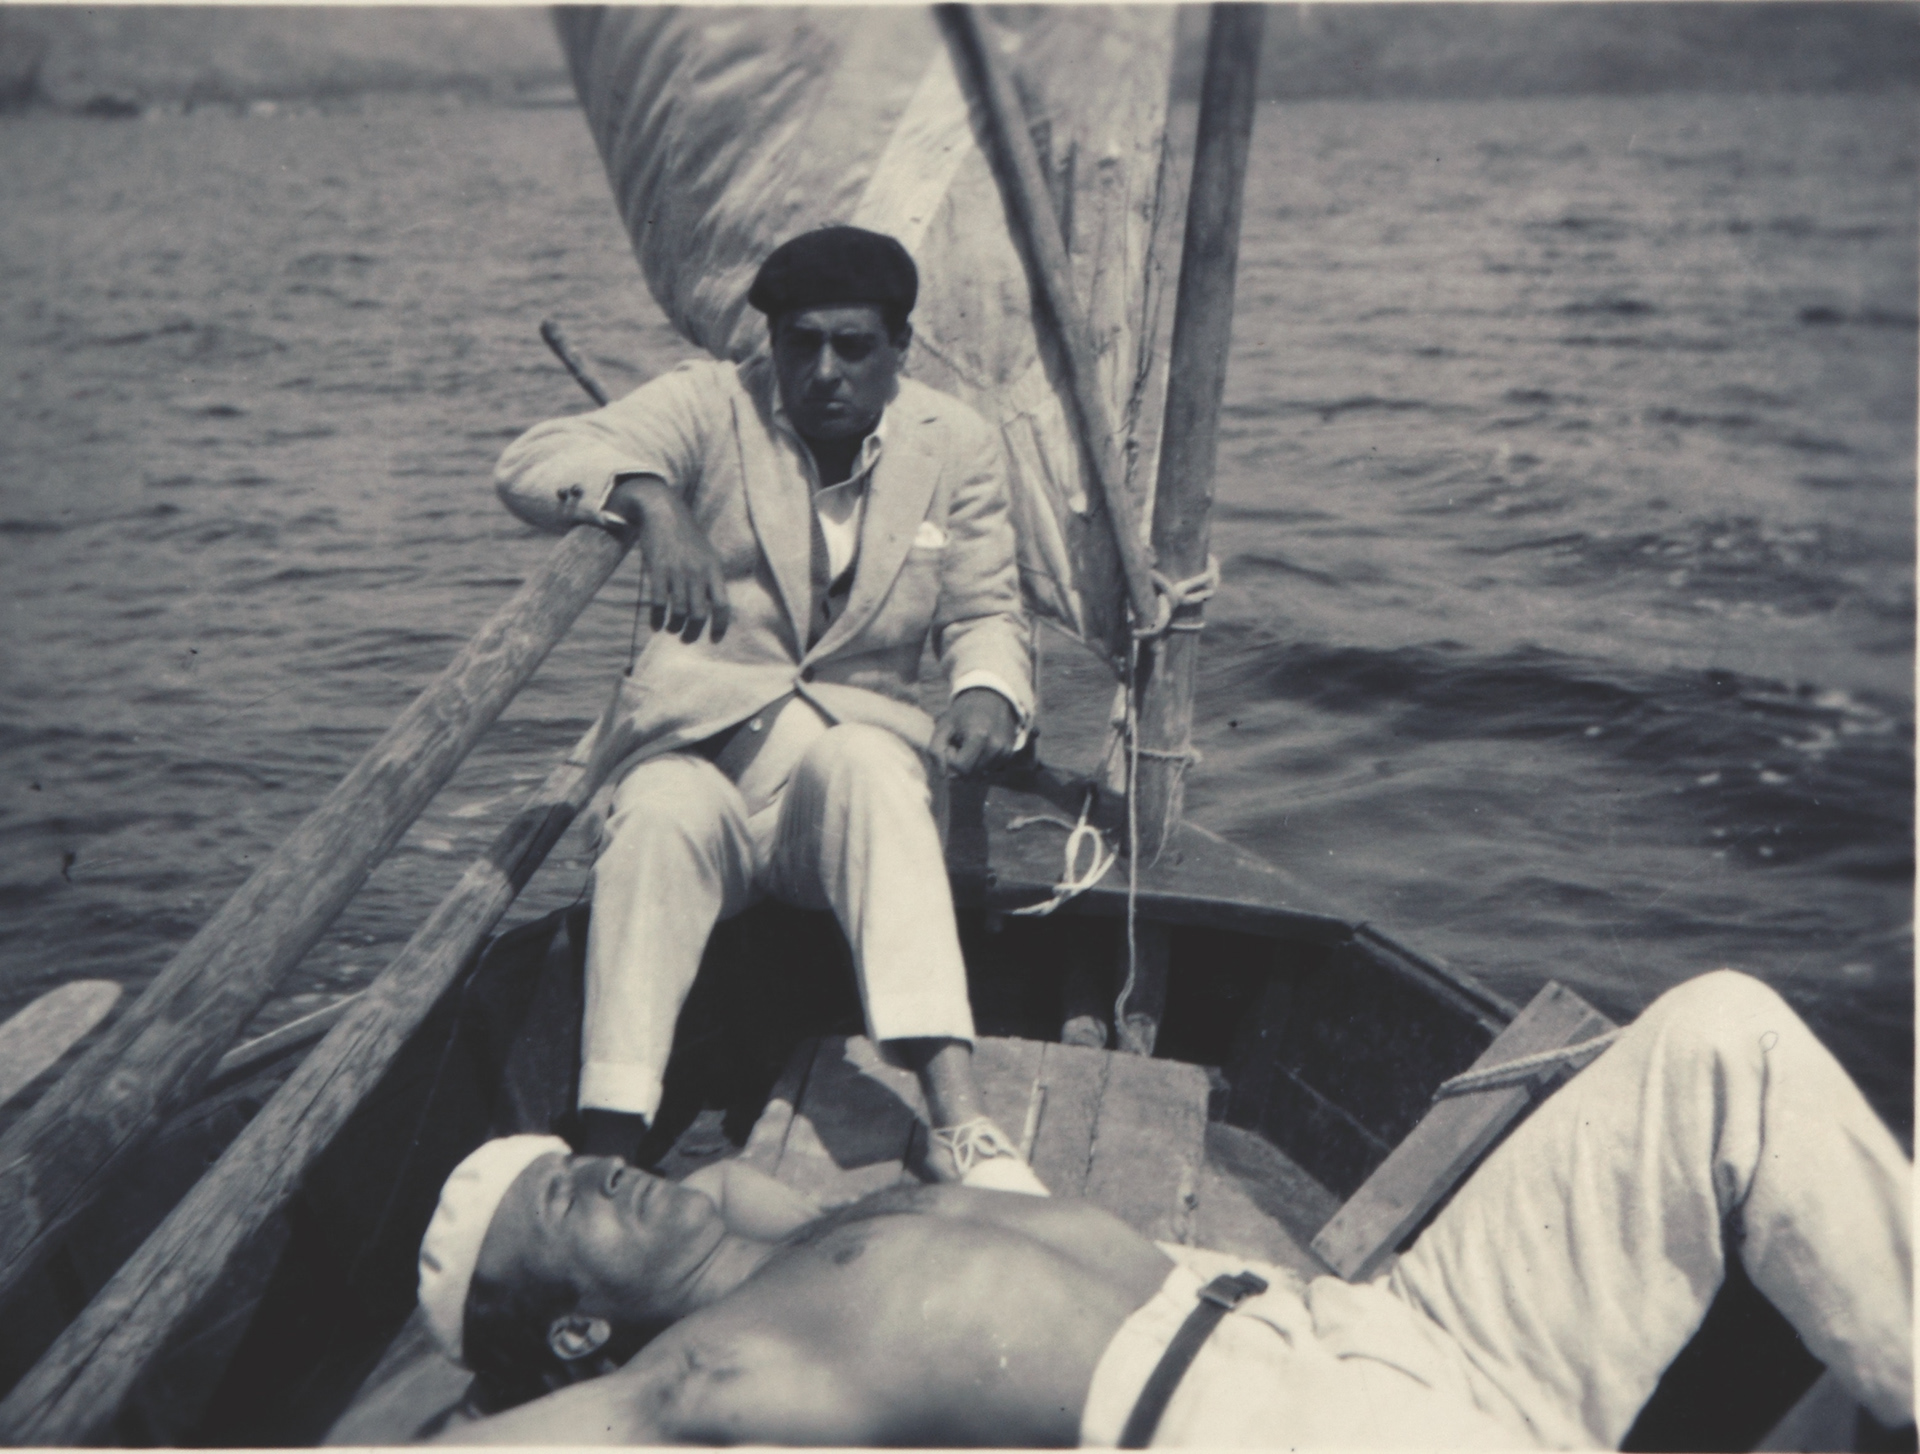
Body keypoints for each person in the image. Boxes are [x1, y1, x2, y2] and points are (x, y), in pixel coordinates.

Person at [416, 971, 1912, 1447]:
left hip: (1384, 1330)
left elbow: (728, 1183)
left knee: (1720, 1030)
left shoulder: (787, 1226)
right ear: (574, 1328)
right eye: (560, 1201)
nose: (600, 1165)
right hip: (1286, 1435)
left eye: (576, 1154)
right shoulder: (703, 1375)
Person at [494, 225, 1042, 1191]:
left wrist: (988, 690)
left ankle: (961, 1121)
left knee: (871, 764)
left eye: (853, 347)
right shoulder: (712, 403)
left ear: (900, 347)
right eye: (801, 344)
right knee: (655, 816)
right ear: (772, 343)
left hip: (835, 800)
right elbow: (534, 459)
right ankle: (609, 1151)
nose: (824, 371)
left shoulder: (954, 443)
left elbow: (986, 610)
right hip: (699, 771)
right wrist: (652, 500)